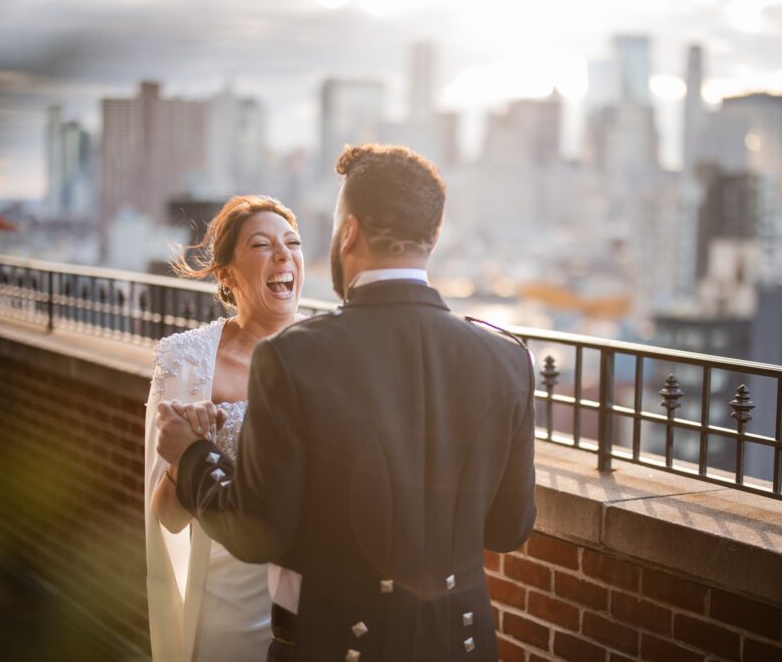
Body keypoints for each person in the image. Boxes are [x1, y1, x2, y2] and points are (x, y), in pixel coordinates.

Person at [156, 144, 537, 662]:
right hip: (463, 645)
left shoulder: (294, 357)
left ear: (349, 232)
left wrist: (191, 455)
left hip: (332, 642)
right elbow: (508, 528)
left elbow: (256, 534)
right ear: (435, 234)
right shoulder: (506, 358)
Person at [144, 194, 305, 661]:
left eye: (292, 242)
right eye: (262, 245)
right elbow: (169, 518)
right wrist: (185, 454)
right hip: (227, 604)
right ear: (226, 273)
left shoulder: (329, 355)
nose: (283, 254)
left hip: (311, 606)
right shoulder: (188, 361)